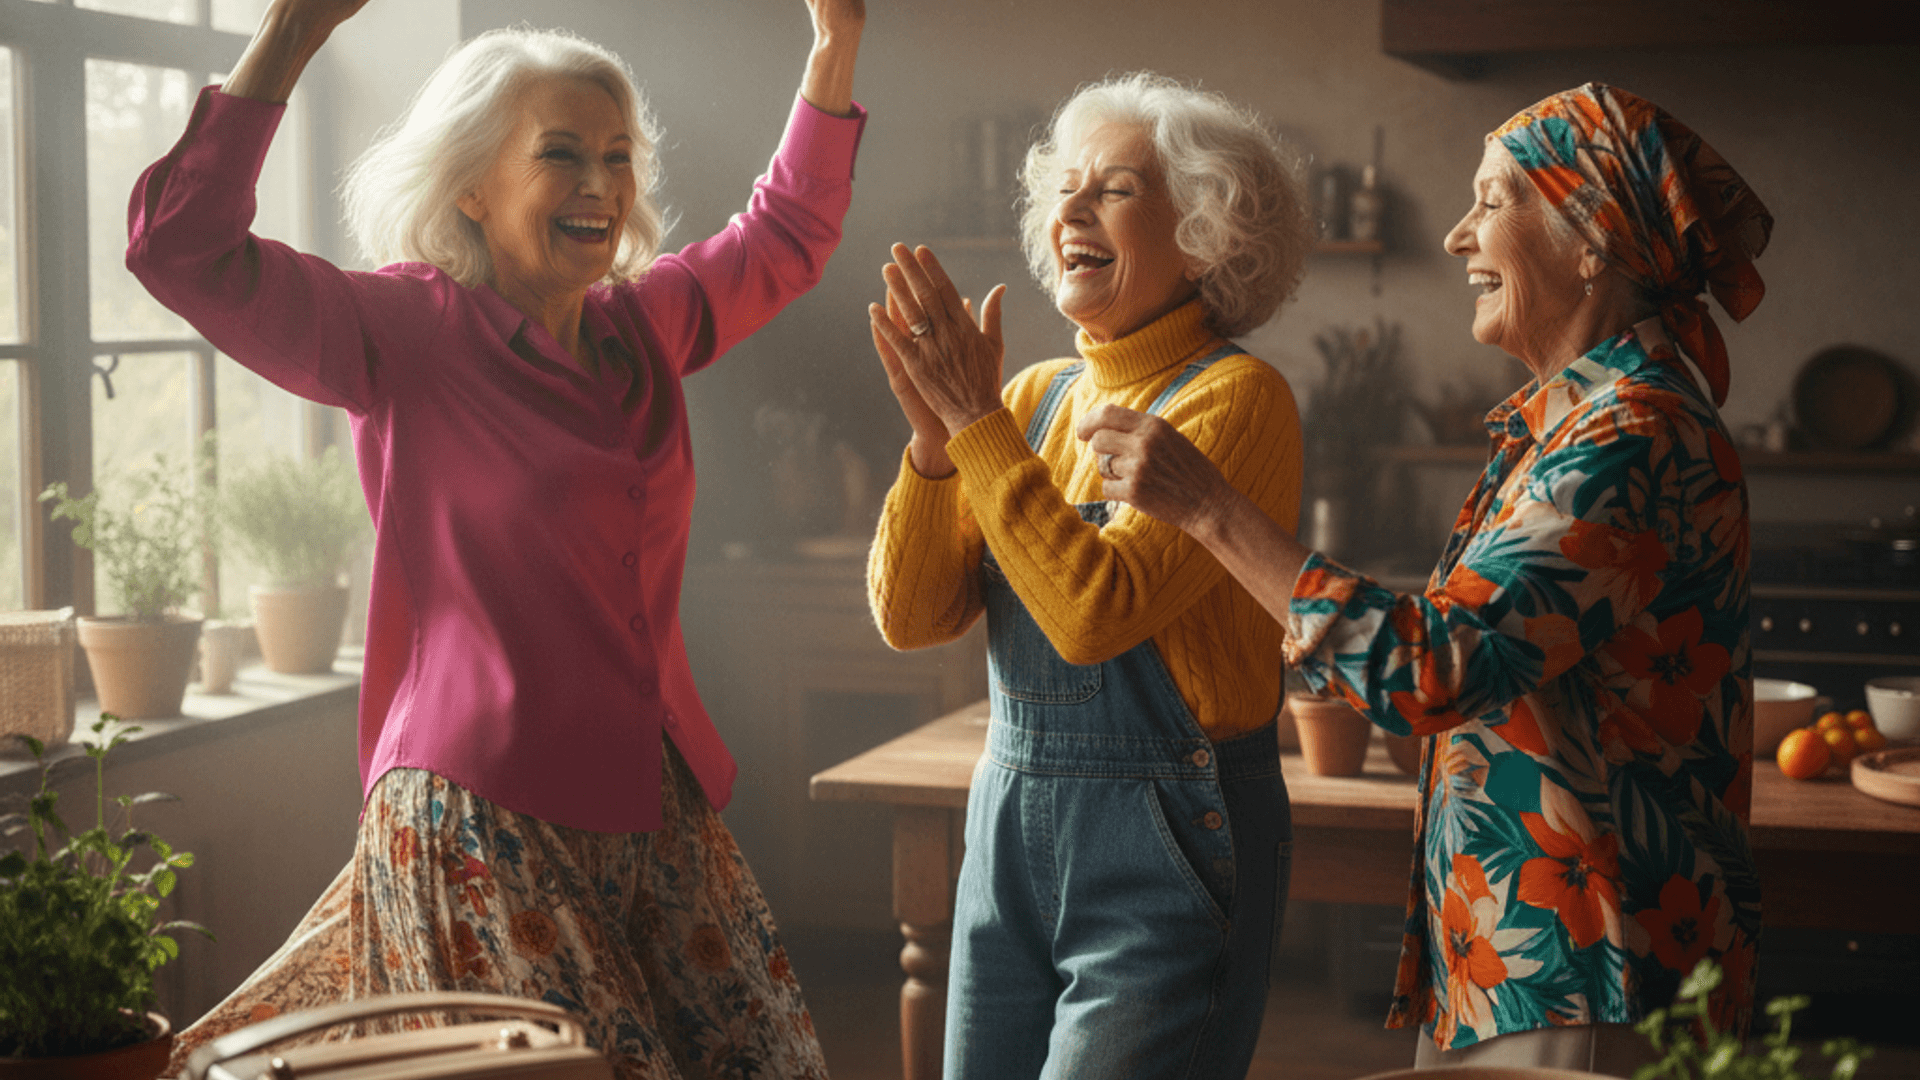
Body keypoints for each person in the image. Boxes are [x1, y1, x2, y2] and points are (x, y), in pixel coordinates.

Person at [126, 0, 866, 1075]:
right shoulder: (406, 330)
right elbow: (181, 250)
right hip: (482, 812)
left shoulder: (638, 328)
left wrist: (834, 40)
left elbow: (787, 234)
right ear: (471, 186)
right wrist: (288, 34)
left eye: (616, 158)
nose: (600, 185)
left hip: (651, 798)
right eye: (560, 155)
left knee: (772, 1061)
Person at [1079, 83, 1769, 1076]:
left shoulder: (1633, 433)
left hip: (1584, 962)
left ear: (1591, 239)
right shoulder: (1570, 423)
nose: (1457, 236)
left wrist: (1210, 508)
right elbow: (1464, 655)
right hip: (1525, 952)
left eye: (1493, 201)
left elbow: (1436, 669)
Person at [865, 72, 1314, 1080]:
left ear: (1206, 231)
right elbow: (910, 614)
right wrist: (937, 446)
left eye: (1112, 188)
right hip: (1010, 829)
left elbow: (1090, 616)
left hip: (1167, 846)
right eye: (1064, 188)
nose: (1069, 208)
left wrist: (976, 428)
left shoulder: (1239, 399)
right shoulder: (1025, 397)